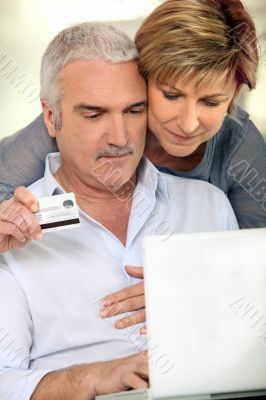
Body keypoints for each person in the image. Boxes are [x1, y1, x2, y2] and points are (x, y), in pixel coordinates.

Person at [0, 22, 238, 400]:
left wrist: (203, 299)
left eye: (134, 110)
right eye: (94, 115)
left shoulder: (208, 204)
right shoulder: (11, 233)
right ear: (50, 117)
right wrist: (96, 379)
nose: (120, 138)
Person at [0, 0, 265, 228]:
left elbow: (254, 258)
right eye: (172, 95)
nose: (187, 124)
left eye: (210, 102)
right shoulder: (68, 122)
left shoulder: (239, 148)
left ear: (234, 94)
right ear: (143, 75)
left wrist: (180, 281)